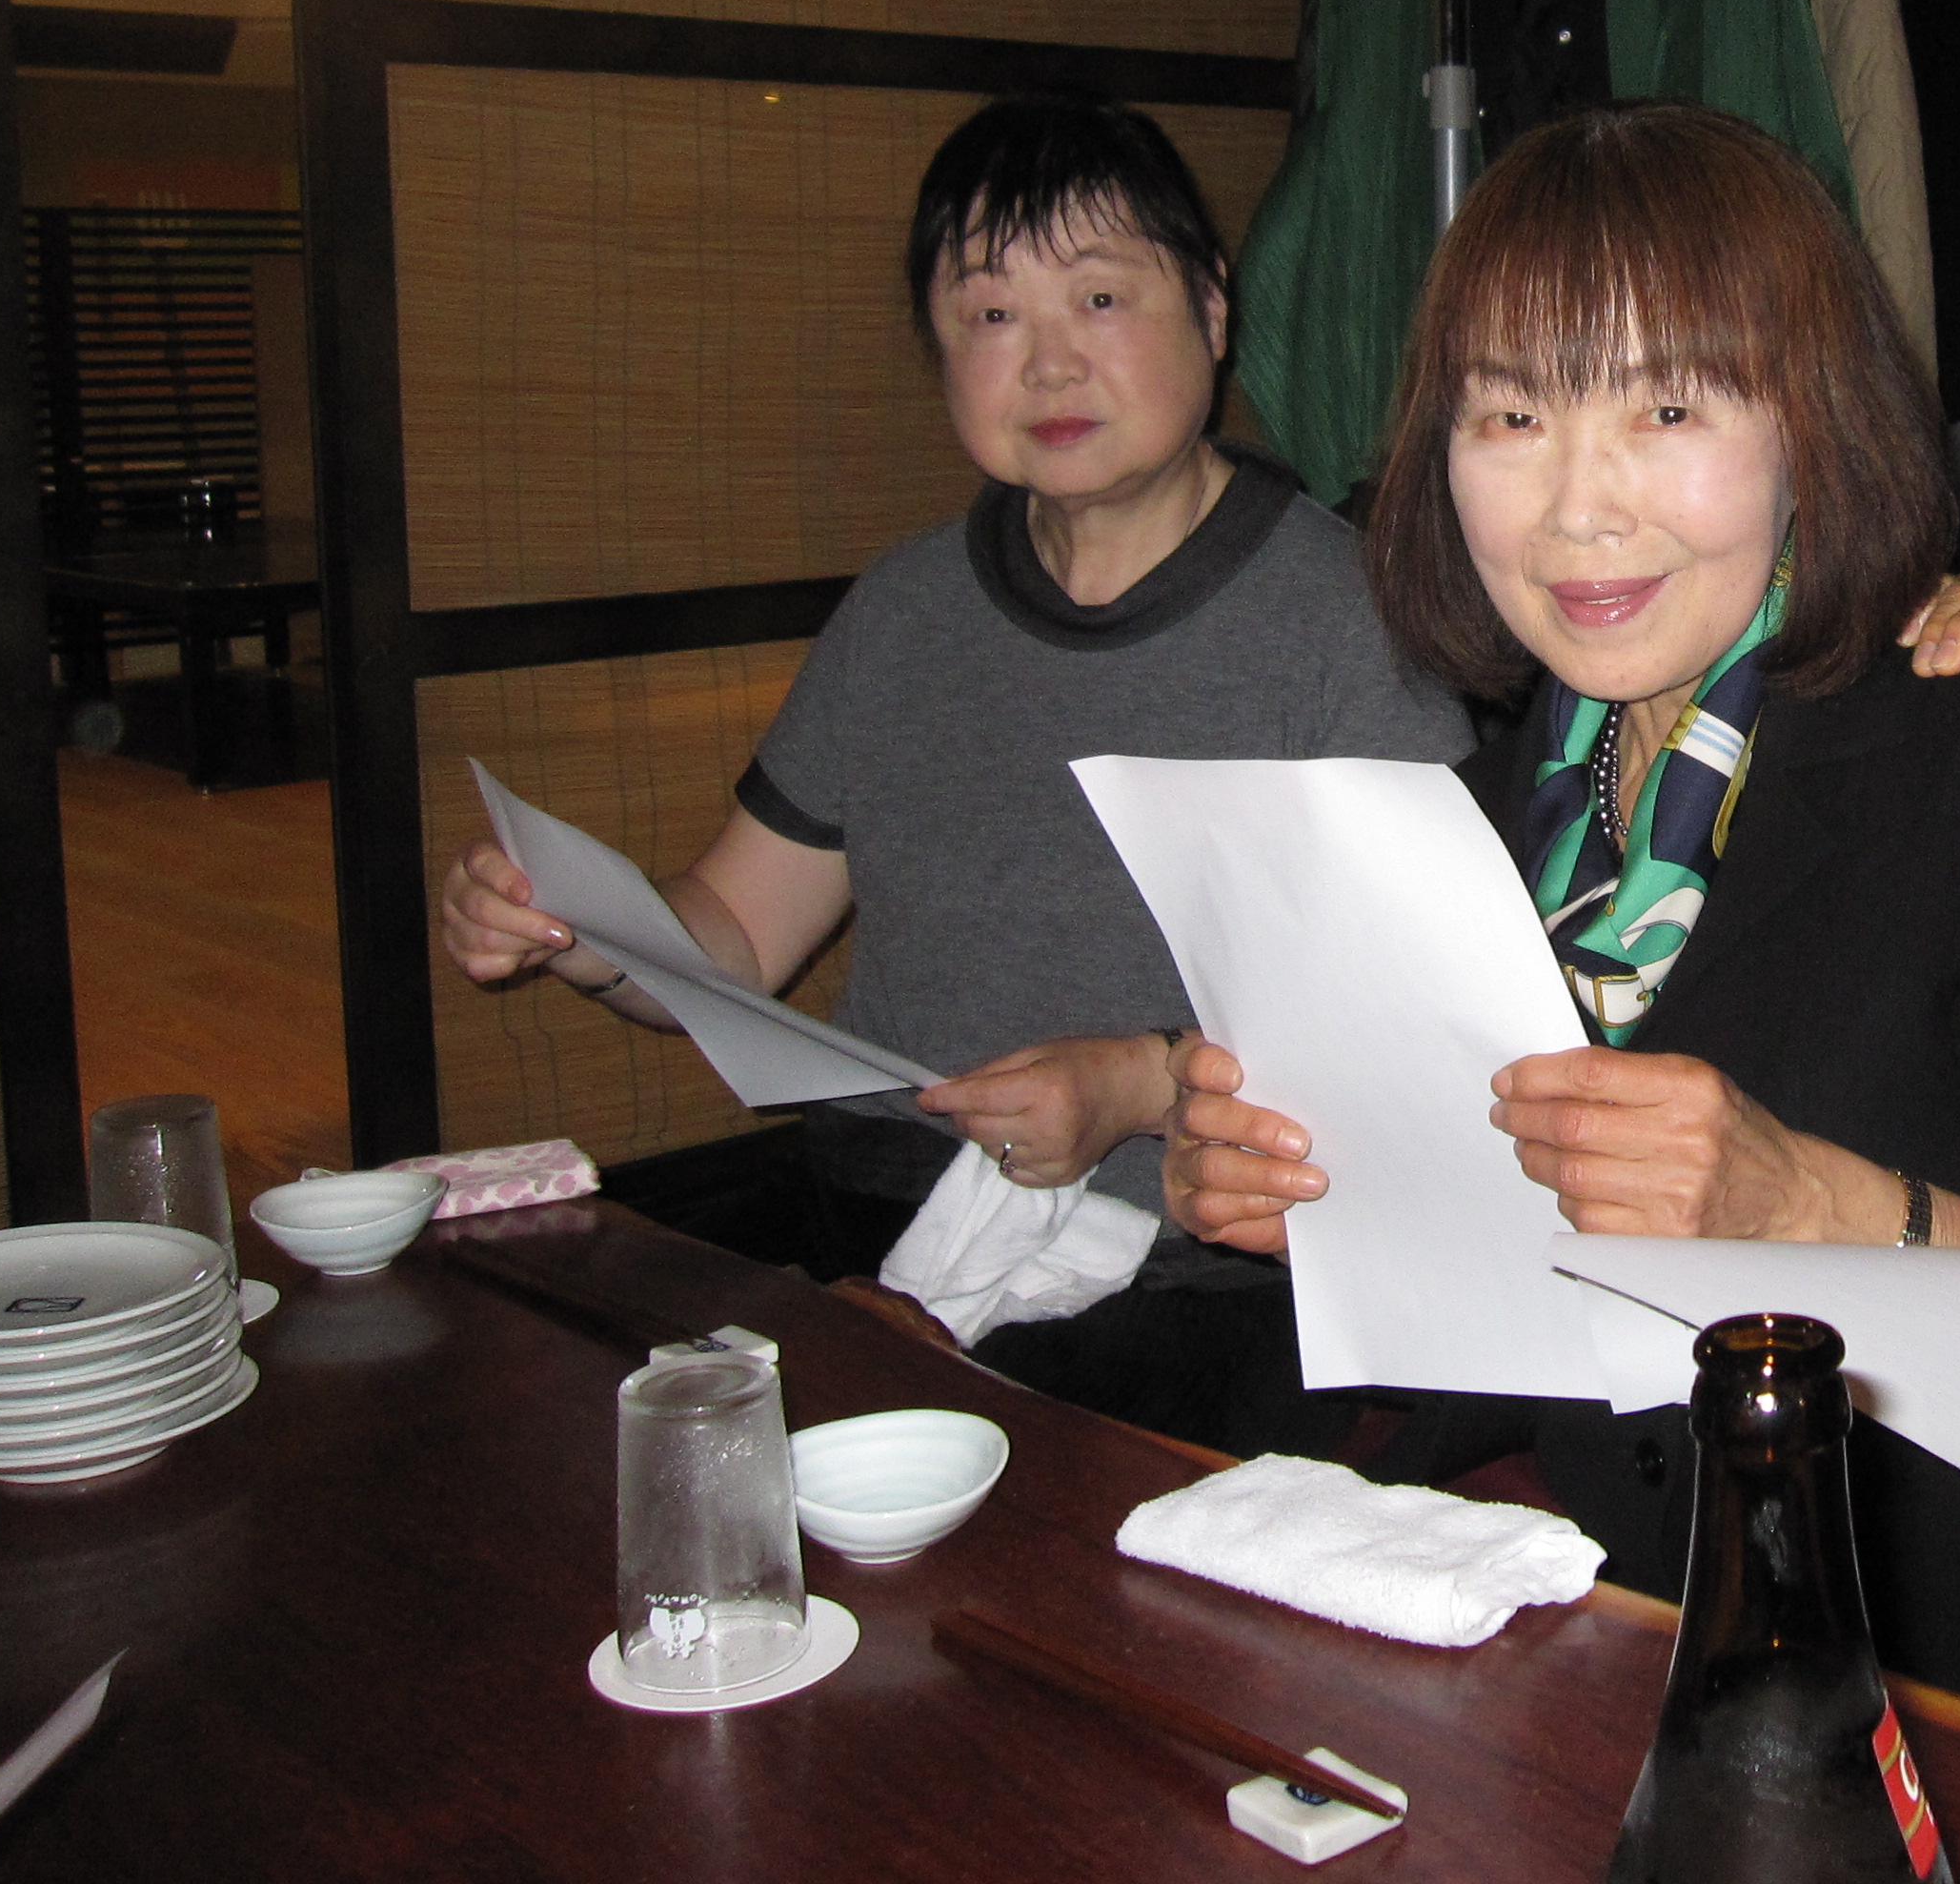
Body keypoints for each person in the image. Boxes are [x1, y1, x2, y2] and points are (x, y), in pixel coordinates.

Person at [1161, 103, 1960, 1807]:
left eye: (1665, 410)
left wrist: (1804, 1200)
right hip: (1649, 1687)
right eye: (1512, 414)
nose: (1580, 508)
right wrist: (1307, 1207)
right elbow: (1525, 1334)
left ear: (1809, 420)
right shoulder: (1490, 817)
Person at [437, 92, 1474, 1448]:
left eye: (1099, 298)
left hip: (1202, 1277)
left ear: (1214, 311)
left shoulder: (1351, 618)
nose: (1048, 363)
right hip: (883, 1229)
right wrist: (574, 927)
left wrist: (1141, 1085)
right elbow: (733, 938)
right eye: (991, 314)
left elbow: (1422, 1026)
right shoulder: (905, 611)